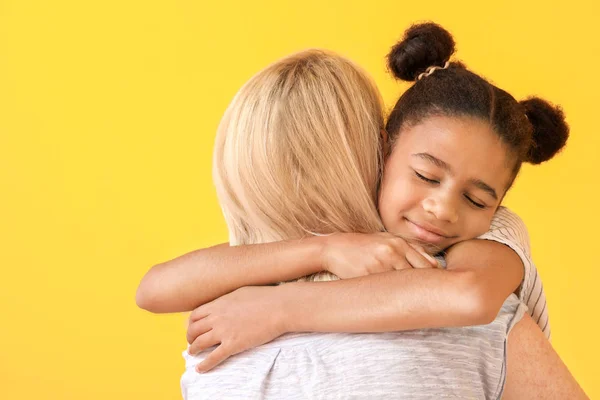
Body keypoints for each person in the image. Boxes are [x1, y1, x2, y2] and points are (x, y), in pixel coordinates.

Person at [137, 23, 586, 399]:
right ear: (383, 154)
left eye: (477, 200)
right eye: (427, 176)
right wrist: (325, 251)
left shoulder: (486, 241)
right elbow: (153, 289)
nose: (442, 209)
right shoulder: (272, 278)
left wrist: (279, 308)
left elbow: (469, 296)